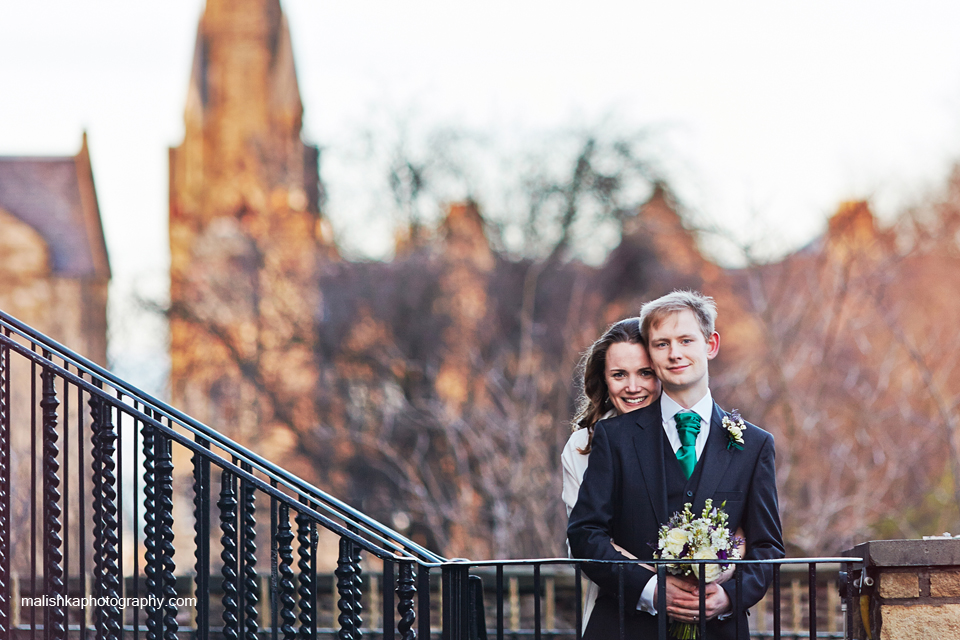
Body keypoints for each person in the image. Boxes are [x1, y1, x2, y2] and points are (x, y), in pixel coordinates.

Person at [567, 290, 784, 640]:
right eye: (662, 344)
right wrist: (652, 589)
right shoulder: (614, 437)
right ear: (651, 355)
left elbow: (767, 546)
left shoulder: (755, 444)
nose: (675, 353)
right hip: (625, 628)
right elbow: (585, 534)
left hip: (720, 630)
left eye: (686, 340)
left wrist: (728, 596)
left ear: (710, 344)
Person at [561, 317, 661, 631]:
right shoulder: (582, 446)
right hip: (619, 608)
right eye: (619, 375)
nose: (633, 387)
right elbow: (585, 540)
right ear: (604, 381)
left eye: (645, 372)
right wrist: (657, 588)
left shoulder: (691, 434)